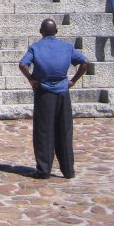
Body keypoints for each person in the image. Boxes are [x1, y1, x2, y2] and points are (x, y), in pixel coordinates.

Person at [18, 18, 90, 180]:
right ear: (56, 32)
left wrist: (31, 79)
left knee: (44, 132)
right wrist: (73, 81)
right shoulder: (66, 47)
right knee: (64, 131)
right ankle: (68, 170)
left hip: (44, 93)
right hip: (63, 92)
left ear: (41, 31)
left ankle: (44, 170)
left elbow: (23, 64)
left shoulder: (36, 48)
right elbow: (85, 63)